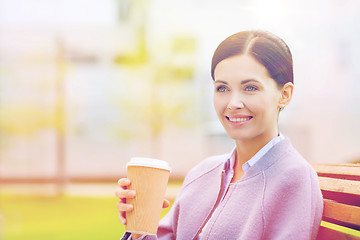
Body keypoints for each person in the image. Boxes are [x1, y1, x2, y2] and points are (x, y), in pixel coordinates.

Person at [115, 30, 324, 240]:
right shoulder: (202, 173)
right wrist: (140, 227)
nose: (233, 104)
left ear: (284, 95)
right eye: (222, 88)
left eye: (250, 87)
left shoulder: (294, 178)